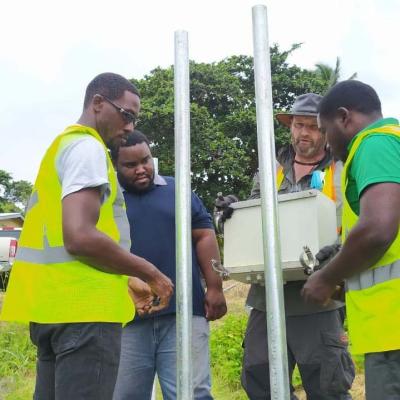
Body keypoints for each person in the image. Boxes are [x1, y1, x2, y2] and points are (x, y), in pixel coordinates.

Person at [0, 73, 174, 400]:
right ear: (98, 103)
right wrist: (148, 272)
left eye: (135, 118)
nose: (129, 126)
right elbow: (79, 238)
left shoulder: (63, 147)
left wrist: (124, 280)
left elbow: (64, 247)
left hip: (54, 312)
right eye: (126, 114)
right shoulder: (88, 148)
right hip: (86, 317)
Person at [217, 93, 355, 399]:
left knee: (326, 385)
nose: (303, 133)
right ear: (289, 127)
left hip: (320, 295)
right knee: (259, 379)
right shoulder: (269, 171)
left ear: (325, 130)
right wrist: (233, 211)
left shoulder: (344, 170)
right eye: (297, 125)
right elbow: (254, 219)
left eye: (312, 127)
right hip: (268, 297)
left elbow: (356, 224)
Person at [302, 80, 400, 399]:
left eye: (326, 130)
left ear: (344, 117)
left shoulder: (374, 143)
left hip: (393, 330)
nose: (327, 143)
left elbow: (378, 228)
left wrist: (326, 278)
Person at [112, 130, 227, 400]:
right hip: (126, 318)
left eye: (146, 160)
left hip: (183, 312)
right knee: (125, 395)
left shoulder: (178, 190)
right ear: (115, 165)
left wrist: (215, 286)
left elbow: (204, 235)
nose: (141, 169)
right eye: (130, 165)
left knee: (192, 393)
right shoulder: (106, 199)